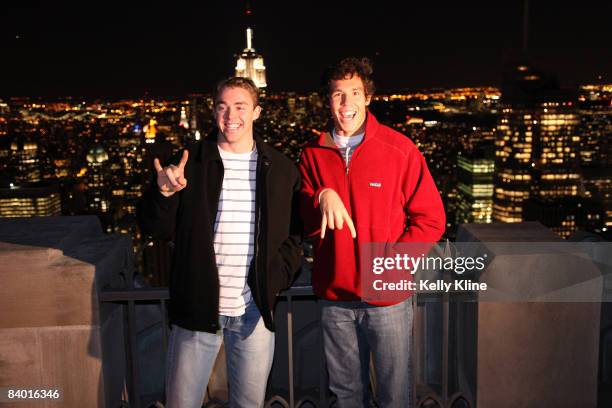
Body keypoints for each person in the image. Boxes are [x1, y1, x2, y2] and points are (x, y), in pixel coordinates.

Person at [140, 77, 302, 408]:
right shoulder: (191, 161)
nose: (231, 116)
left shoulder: (280, 169)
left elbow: (294, 236)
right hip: (199, 310)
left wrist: (275, 278)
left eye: (240, 107)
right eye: (222, 107)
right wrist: (164, 193)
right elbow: (155, 228)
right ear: (214, 112)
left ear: (256, 112)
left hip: (254, 313)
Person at [298, 57, 445, 407]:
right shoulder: (312, 155)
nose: (346, 104)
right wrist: (320, 195)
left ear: (368, 97)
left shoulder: (399, 150)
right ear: (327, 100)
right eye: (337, 95)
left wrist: (392, 266)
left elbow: (431, 219)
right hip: (336, 299)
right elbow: (303, 219)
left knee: (395, 396)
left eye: (354, 93)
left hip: (388, 301)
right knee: (346, 396)